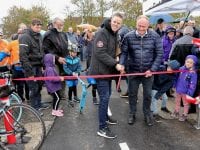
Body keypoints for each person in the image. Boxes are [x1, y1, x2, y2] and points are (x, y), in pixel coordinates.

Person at [120, 15, 163, 126]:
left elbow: (159, 54)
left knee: (148, 95)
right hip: (133, 71)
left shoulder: (155, 36)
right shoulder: (128, 36)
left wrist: (152, 69)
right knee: (132, 94)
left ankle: (147, 114)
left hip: (148, 72)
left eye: (144, 26)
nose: (141, 28)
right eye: (139, 25)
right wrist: (122, 64)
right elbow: (124, 52)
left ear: (148, 26)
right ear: (136, 24)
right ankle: (132, 113)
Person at [89, 12, 124, 139]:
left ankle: (105, 118)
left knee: (107, 96)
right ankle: (102, 128)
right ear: (110, 21)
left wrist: (118, 58)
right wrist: (115, 64)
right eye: (114, 21)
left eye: (118, 23)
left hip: (107, 71)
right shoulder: (102, 32)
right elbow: (100, 53)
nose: (116, 24)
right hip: (100, 72)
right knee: (104, 98)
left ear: (121, 25)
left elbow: (114, 51)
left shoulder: (114, 34)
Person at [19, 18, 47, 113]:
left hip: (38, 66)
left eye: (40, 26)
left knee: (39, 86)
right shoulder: (25, 37)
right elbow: (23, 56)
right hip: (30, 66)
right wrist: (29, 72)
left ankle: (39, 103)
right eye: (36, 26)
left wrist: (43, 65)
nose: (38, 27)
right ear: (31, 25)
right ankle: (34, 108)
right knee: (33, 87)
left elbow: (41, 51)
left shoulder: (39, 36)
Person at [43, 17, 68, 100]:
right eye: (60, 24)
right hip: (53, 61)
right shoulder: (48, 34)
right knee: (55, 78)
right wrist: (57, 58)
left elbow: (65, 46)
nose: (61, 26)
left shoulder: (63, 34)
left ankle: (62, 93)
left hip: (63, 59)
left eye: (62, 24)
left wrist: (67, 56)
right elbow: (46, 50)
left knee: (63, 76)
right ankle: (55, 95)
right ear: (54, 24)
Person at [171, 55, 198, 121]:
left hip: (186, 92)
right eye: (187, 61)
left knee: (186, 104)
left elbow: (193, 84)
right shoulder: (181, 69)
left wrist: (190, 92)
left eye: (191, 62)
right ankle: (176, 111)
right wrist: (174, 85)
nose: (188, 63)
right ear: (185, 61)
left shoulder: (193, 73)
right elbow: (176, 77)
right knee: (177, 101)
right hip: (178, 89)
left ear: (193, 64)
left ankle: (185, 114)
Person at [8, 24, 29, 102]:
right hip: (16, 68)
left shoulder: (28, 42)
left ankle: (28, 97)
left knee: (27, 84)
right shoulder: (12, 43)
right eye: (20, 33)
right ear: (18, 33)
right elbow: (6, 53)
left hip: (26, 67)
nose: (21, 35)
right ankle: (20, 99)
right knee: (19, 85)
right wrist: (10, 63)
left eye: (23, 32)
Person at [84, 29, 99, 105]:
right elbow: (85, 43)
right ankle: (94, 98)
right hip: (90, 60)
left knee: (98, 84)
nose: (89, 34)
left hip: (98, 64)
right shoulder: (87, 41)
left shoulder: (96, 41)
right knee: (94, 84)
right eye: (88, 33)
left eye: (90, 33)